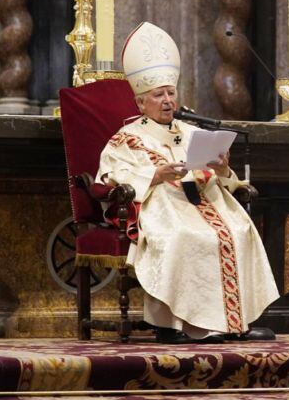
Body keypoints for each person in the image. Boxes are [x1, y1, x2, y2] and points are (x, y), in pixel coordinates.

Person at [96, 22, 279, 343]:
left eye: (171, 93)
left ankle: (235, 324)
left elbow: (221, 178)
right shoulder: (127, 138)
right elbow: (112, 179)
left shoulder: (193, 131)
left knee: (238, 231)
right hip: (161, 207)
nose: (167, 100)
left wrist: (221, 168)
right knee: (184, 236)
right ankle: (174, 326)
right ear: (140, 103)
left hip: (202, 200)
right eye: (158, 95)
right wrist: (156, 175)